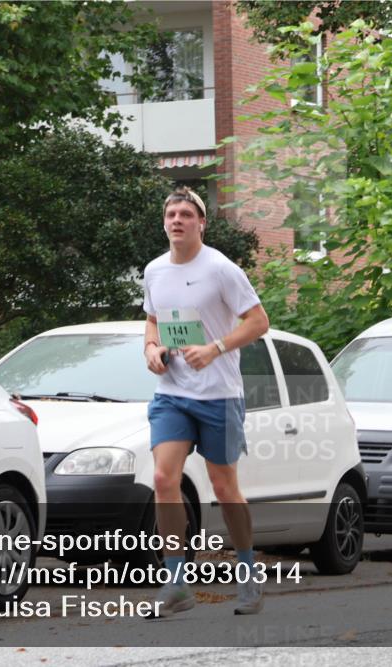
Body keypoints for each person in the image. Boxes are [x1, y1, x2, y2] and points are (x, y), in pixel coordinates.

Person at [141, 186, 270, 617]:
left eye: (185, 214)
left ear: (201, 223)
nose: (177, 220)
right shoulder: (155, 271)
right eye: (170, 214)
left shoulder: (221, 269)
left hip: (219, 395)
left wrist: (215, 348)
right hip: (173, 395)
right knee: (163, 479)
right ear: (163, 223)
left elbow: (258, 322)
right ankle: (176, 582)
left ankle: (248, 574)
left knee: (223, 488)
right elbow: (153, 322)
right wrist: (151, 350)